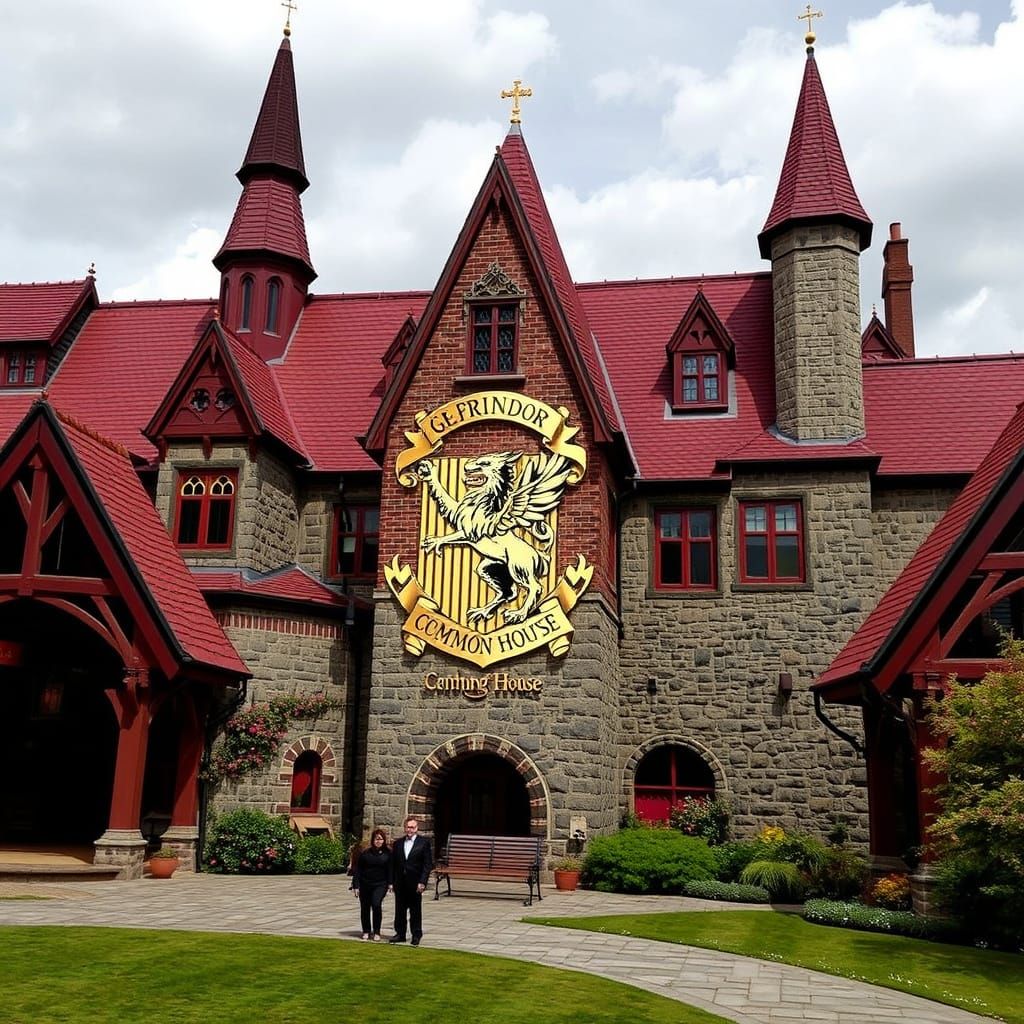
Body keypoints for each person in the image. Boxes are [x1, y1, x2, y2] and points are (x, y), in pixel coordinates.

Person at [388, 815, 433, 945]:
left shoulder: (423, 843)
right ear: (404, 828)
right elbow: (393, 864)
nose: (410, 830)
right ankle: (400, 933)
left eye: (412, 827)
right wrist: (391, 882)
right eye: (408, 827)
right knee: (400, 910)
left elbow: (427, 864)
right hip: (400, 882)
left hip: (415, 882)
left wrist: (423, 882)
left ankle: (416, 934)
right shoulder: (398, 844)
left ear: (417, 828)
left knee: (415, 910)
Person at [351, 828, 391, 941]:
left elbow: (391, 870)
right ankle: (366, 931)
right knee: (365, 907)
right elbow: (358, 870)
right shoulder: (365, 854)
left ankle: (377, 931)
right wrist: (356, 885)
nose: (378, 841)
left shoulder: (388, 854)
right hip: (365, 884)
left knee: (376, 903)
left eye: (381, 839)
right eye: (376, 839)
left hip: (380, 884)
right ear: (373, 840)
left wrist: (391, 883)